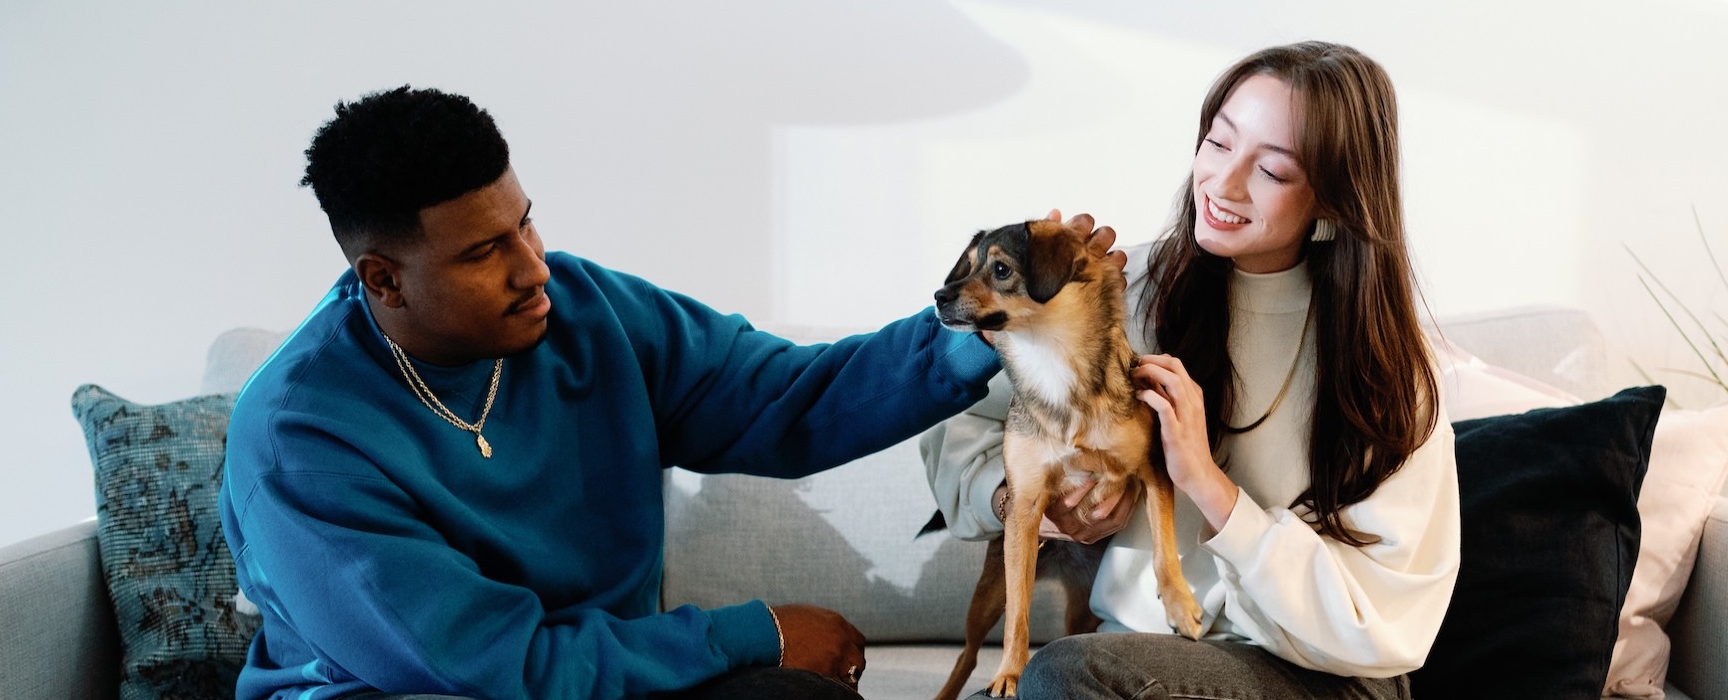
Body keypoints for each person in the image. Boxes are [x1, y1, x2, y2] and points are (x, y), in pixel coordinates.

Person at [217, 85, 1120, 700]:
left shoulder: (584, 311)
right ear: (384, 280)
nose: (534, 268)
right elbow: (490, 663)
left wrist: (991, 317)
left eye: (524, 224)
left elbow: (789, 398)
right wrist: (751, 634)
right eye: (484, 253)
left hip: (610, 677)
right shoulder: (300, 439)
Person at [923, 41, 1459, 699]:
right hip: (1125, 664)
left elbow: (1389, 623)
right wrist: (1027, 503)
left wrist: (1209, 486)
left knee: (1064, 674)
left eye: (1273, 170)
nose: (1223, 184)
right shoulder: (1120, 288)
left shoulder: (1386, 365)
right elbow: (962, 427)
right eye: (1218, 143)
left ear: (1333, 197)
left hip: (1317, 675)